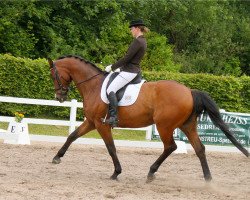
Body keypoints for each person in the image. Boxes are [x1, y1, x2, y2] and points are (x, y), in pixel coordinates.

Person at [104, 19, 149, 127]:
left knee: (111, 89)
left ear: (137, 28)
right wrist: (120, 69)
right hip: (131, 69)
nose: (131, 31)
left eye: (132, 29)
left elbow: (127, 58)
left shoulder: (138, 41)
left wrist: (112, 67)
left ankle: (113, 118)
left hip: (130, 71)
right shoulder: (143, 41)